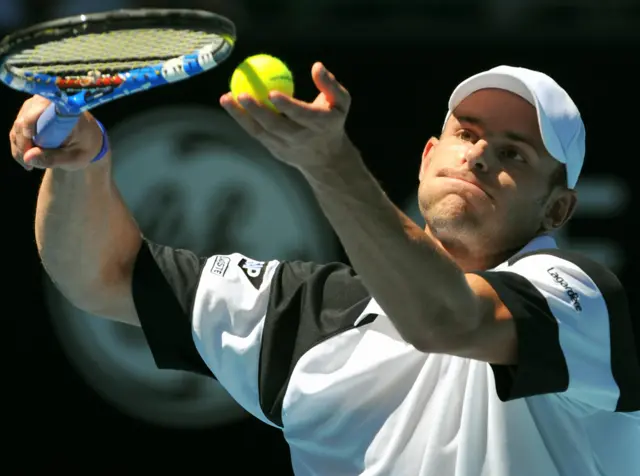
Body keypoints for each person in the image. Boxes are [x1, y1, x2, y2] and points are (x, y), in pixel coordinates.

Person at [10, 63, 640, 476]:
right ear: (426, 158)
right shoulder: (306, 313)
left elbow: (448, 317)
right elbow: (104, 275)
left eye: (512, 154)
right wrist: (78, 165)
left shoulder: (577, 302)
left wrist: (328, 163)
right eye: (465, 134)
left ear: (557, 209)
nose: (476, 156)